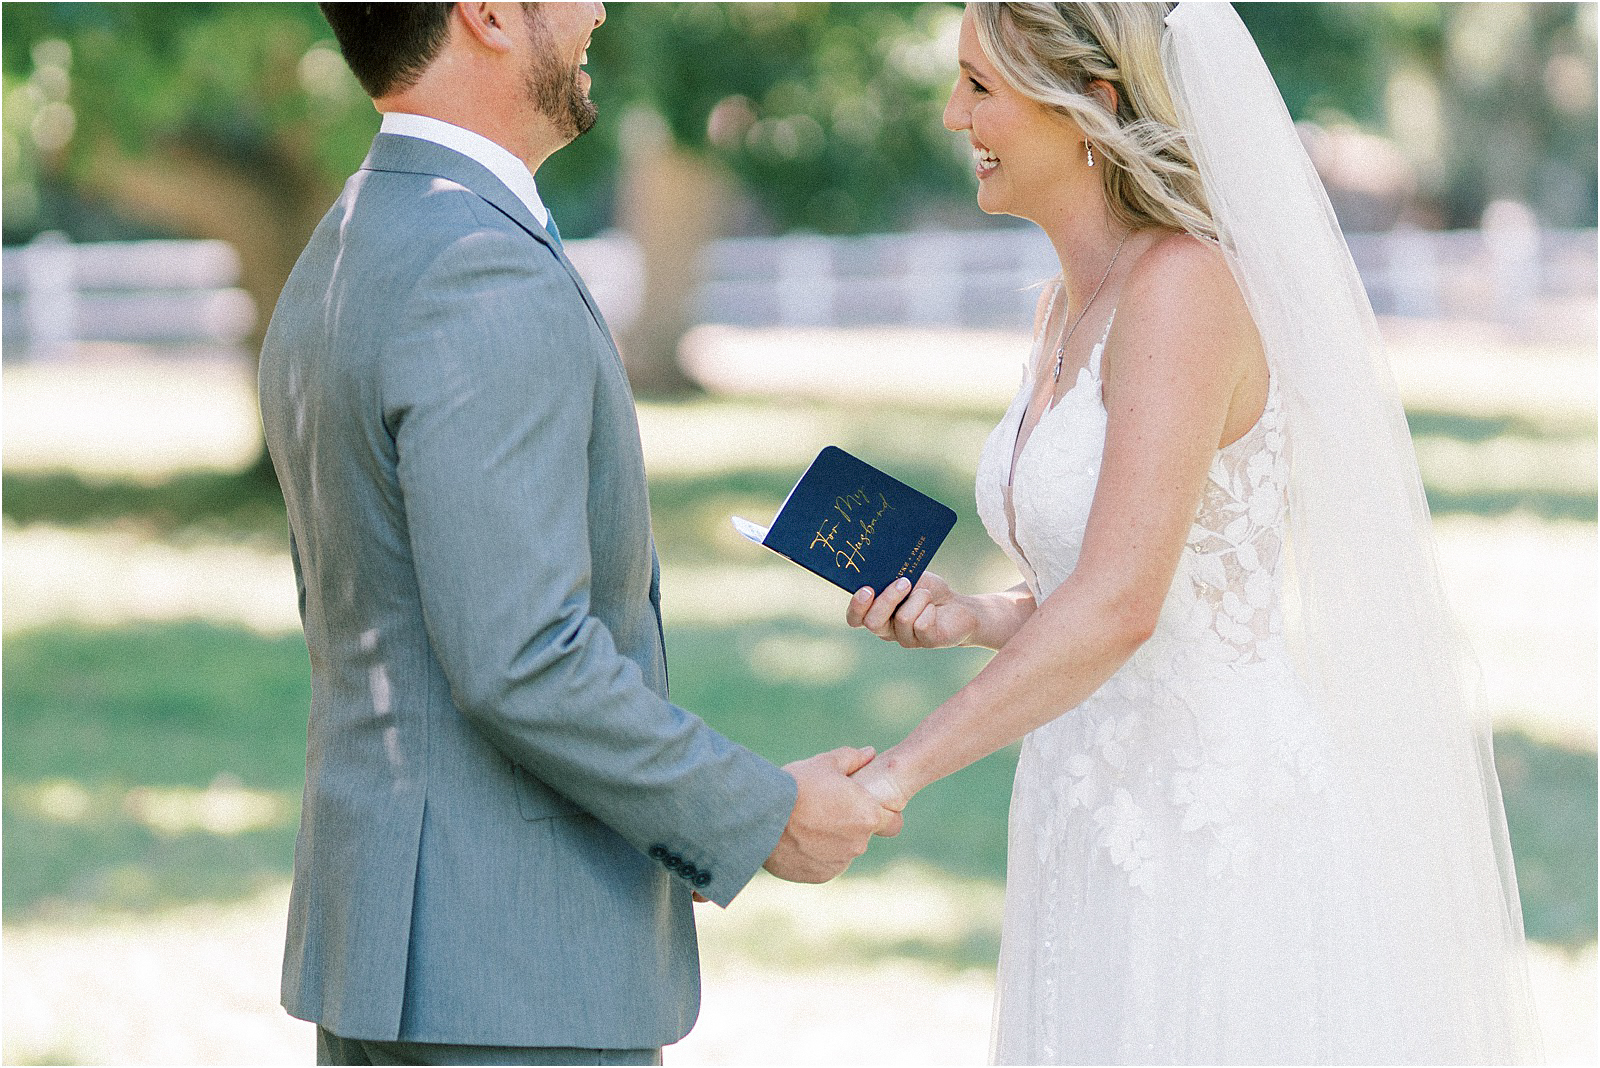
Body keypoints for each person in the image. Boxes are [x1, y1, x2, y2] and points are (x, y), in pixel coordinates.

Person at [845, 3, 1543, 1063]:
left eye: (980, 85)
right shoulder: (1063, 305)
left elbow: (1125, 603)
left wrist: (899, 771)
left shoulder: (1185, 289)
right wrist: (977, 615)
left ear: (1092, 104)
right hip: (1084, 791)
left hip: (1210, 817)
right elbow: (1132, 570)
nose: (953, 114)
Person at [258, 4, 898, 1065]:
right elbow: (523, 658)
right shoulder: (475, 264)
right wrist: (765, 812)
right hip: (508, 979)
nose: (597, 8)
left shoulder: (360, 233)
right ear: (492, 15)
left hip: (392, 958)